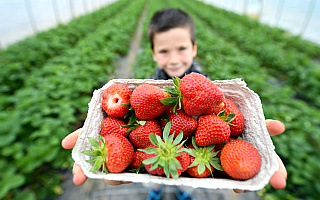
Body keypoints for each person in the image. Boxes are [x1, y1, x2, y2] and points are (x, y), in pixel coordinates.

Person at [62, 8, 287, 200]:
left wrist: (249, 130)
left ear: (194, 48)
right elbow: (150, 108)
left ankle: (181, 191)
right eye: (163, 51)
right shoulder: (153, 83)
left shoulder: (204, 84)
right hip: (162, 150)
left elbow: (214, 104)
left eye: (181, 49)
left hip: (186, 153)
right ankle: (158, 188)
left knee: (180, 173)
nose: (173, 59)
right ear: (153, 54)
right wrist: (109, 130)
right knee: (159, 171)